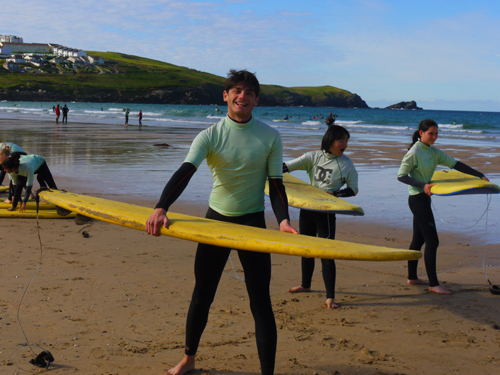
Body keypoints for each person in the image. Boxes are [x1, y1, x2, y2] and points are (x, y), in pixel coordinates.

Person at [146, 69, 298, 375]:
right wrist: (162, 207)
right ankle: (188, 359)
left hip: (252, 223)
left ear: (257, 100)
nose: (243, 96)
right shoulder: (210, 135)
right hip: (215, 222)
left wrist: (283, 221)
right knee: (203, 293)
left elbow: (276, 184)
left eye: (250, 92)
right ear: (226, 95)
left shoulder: (270, 136)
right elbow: (186, 170)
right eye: (237, 91)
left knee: (260, 302)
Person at [397, 119, 489, 295]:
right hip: (417, 199)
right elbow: (401, 176)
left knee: (418, 239)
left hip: (424, 199)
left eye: (437, 133)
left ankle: (412, 277)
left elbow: (455, 164)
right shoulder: (414, 152)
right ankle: (433, 284)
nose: (434, 137)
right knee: (432, 241)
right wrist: (422, 185)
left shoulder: (434, 152)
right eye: (431, 133)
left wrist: (479, 175)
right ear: (421, 133)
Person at [286, 125, 358, 309]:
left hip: (326, 212)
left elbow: (353, 188)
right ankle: (305, 284)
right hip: (307, 209)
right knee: (307, 248)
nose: (345, 144)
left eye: (346, 140)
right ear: (330, 141)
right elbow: (286, 167)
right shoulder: (313, 157)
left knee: (326, 253)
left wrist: (336, 195)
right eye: (341, 140)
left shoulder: (346, 164)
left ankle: (330, 297)